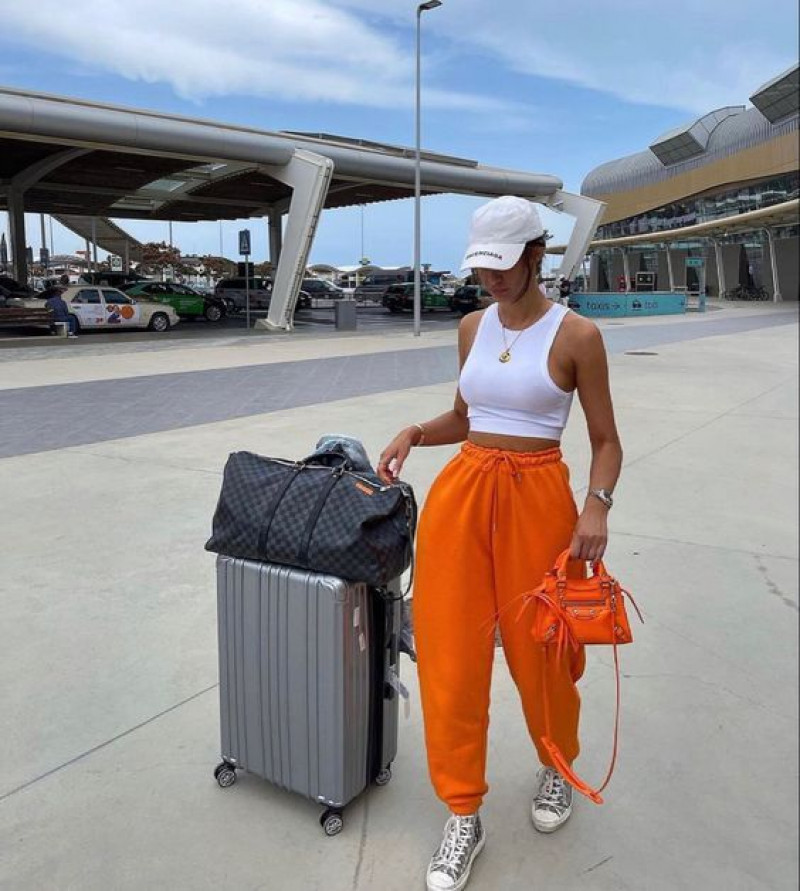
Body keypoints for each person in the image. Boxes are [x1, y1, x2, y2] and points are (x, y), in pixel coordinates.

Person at [377, 195, 622, 891]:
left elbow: (606, 441)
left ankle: (557, 764)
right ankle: (462, 811)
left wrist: (596, 507)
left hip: (541, 502)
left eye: (504, 265)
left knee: (543, 651)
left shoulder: (576, 336)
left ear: (536, 256)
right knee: (450, 654)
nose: (491, 279)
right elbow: (466, 414)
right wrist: (416, 433)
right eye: (483, 266)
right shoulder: (470, 327)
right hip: (463, 499)